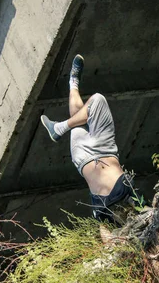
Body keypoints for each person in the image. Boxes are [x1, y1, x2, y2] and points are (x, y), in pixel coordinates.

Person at [41, 55, 137, 222]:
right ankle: (71, 88)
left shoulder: (101, 211)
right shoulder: (130, 196)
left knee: (77, 121)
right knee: (97, 101)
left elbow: (107, 236)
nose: (124, 215)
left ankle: (72, 85)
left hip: (84, 157)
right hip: (106, 148)